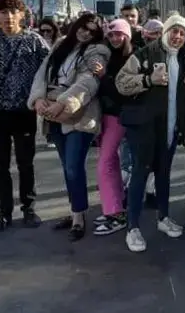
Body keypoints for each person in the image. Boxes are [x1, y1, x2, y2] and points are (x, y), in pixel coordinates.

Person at [115, 13, 185, 253]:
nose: (178, 37)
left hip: (169, 128)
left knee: (164, 174)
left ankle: (163, 217)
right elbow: (121, 82)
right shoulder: (145, 54)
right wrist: (147, 80)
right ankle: (132, 227)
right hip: (144, 127)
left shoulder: (184, 59)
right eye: (174, 31)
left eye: (182, 33)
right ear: (166, 32)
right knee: (140, 174)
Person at [0, 0, 51, 233]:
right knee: (0, 164)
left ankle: (29, 207)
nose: (8, 17)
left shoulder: (35, 41)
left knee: (26, 162)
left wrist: (40, 97)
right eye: (3, 13)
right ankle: (4, 212)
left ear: (22, 15)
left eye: (13, 12)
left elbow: (49, 71)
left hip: (24, 111)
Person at [28, 14, 106, 241]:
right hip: (52, 112)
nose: (86, 33)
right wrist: (38, 99)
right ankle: (75, 210)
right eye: (83, 27)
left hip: (79, 116)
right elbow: (42, 74)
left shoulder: (97, 52)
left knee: (73, 167)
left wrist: (63, 103)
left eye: (92, 31)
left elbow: (88, 82)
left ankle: (79, 218)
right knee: (66, 167)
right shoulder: (61, 45)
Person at [92, 18, 133, 236]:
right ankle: (116, 206)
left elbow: (122, 90)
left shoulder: (131, 58)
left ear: (127, 36)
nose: (115, 38)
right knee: (111, 163)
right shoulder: (108, 56)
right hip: (105, 114)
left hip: (119, 115)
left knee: (105, 164)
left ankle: (115, 213)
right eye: (111, 35)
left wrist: (103, 77)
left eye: (119, 34)